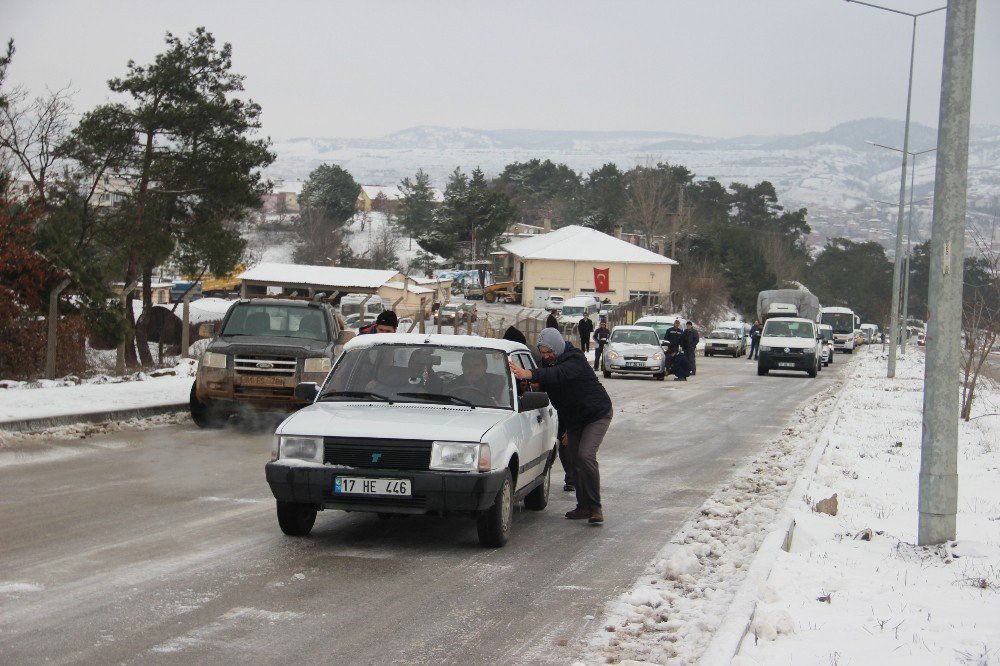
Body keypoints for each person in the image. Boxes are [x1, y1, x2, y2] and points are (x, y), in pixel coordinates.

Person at [509, 328, 613, 525]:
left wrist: (530, 373)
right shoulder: (549, 364)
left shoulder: (575, 358)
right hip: (574, 420)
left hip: (596, 414)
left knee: (585, 456)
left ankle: (595, 507)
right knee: (575, 460)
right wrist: (530, 384)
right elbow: (551, 387)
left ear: (557, 347)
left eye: (550, 352)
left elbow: (560, 374)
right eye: (543, 353)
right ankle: (583, 506)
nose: (547, 357)